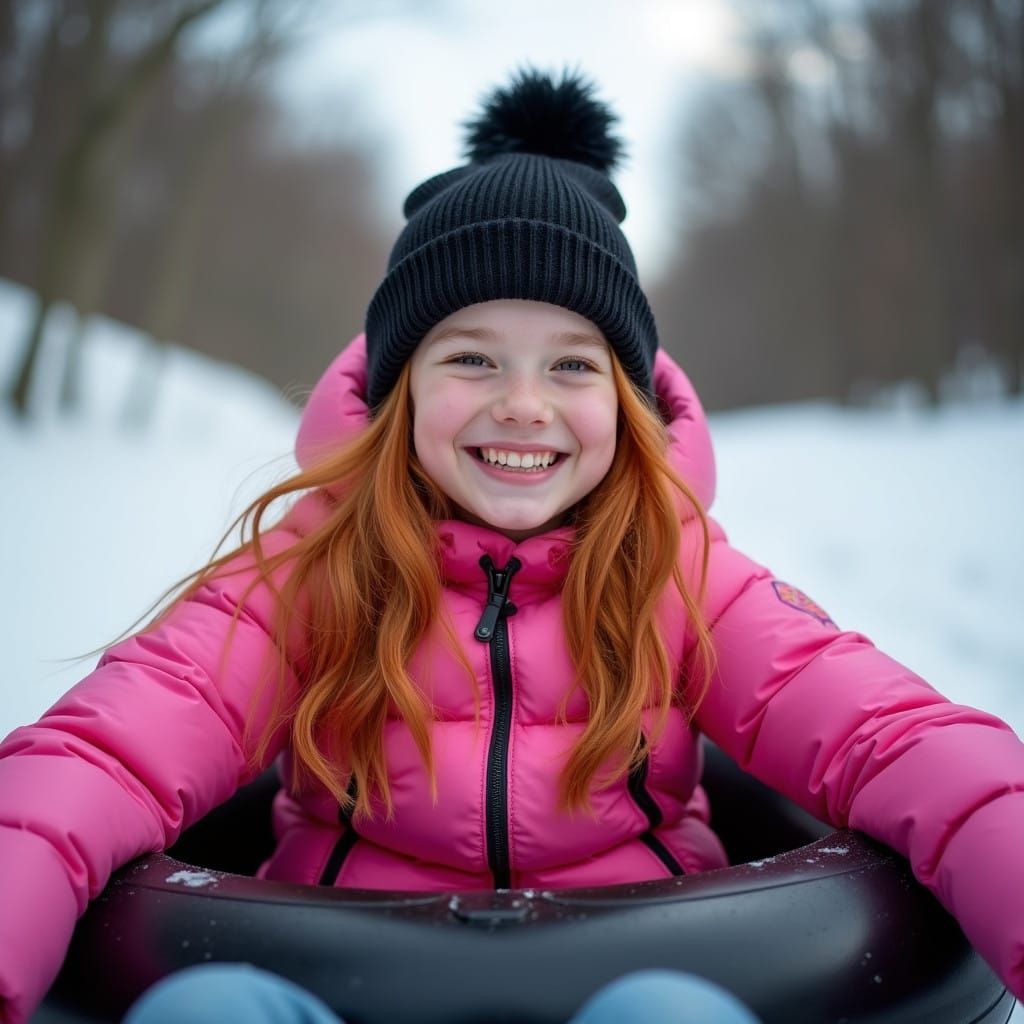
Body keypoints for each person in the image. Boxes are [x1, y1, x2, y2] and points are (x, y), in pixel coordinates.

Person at [1, 66, 1022, 1024]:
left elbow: (894, 738)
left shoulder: (678, 570)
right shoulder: (312, 568)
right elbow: (105, 751)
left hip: (635, 972)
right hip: (344, 982)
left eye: (572, 366)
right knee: (204, 1009)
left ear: (627, 401)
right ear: (398, 389)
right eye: (473, 356)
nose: (522, 404)